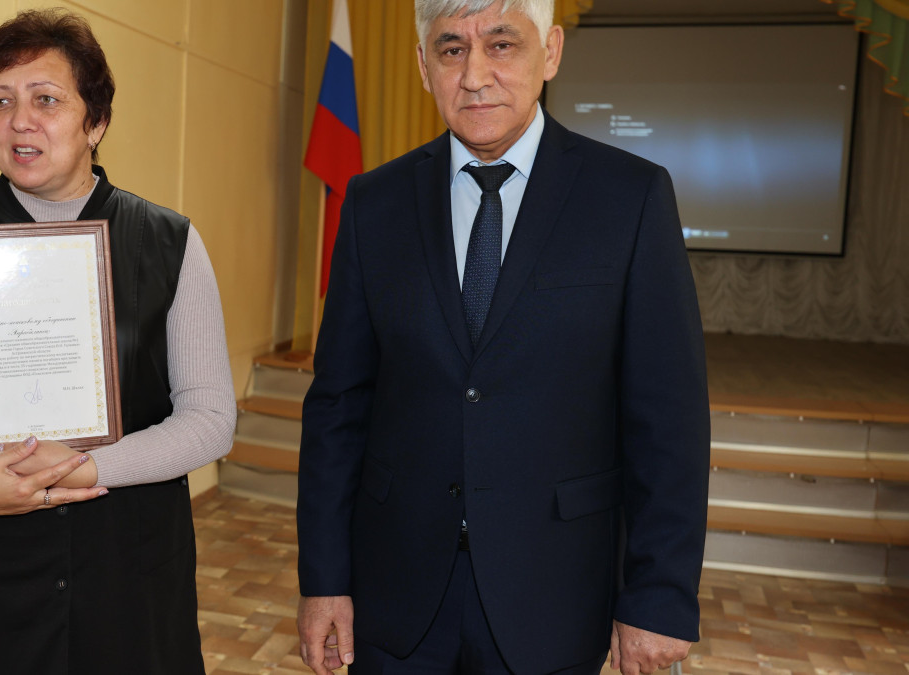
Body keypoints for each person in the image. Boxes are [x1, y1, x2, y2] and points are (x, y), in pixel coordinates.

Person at [296, 0, 710, 673]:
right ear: (423, 65)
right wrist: (323, 577)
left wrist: (658, 595)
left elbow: (669, 419)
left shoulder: (630, 198)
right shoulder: (374, 202)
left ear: (551, 52)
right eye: (451, 48)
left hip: (553, 597)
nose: (474, 75)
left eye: (502, 45)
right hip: (396, 597)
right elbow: (338, 407)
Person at [0, 9, 234, 674]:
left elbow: (209, 419)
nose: (19, 120)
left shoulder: (169, 244)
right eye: (1, 101)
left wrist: (86, 468)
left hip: (125, 575)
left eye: (46, 100)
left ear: (96, 121)